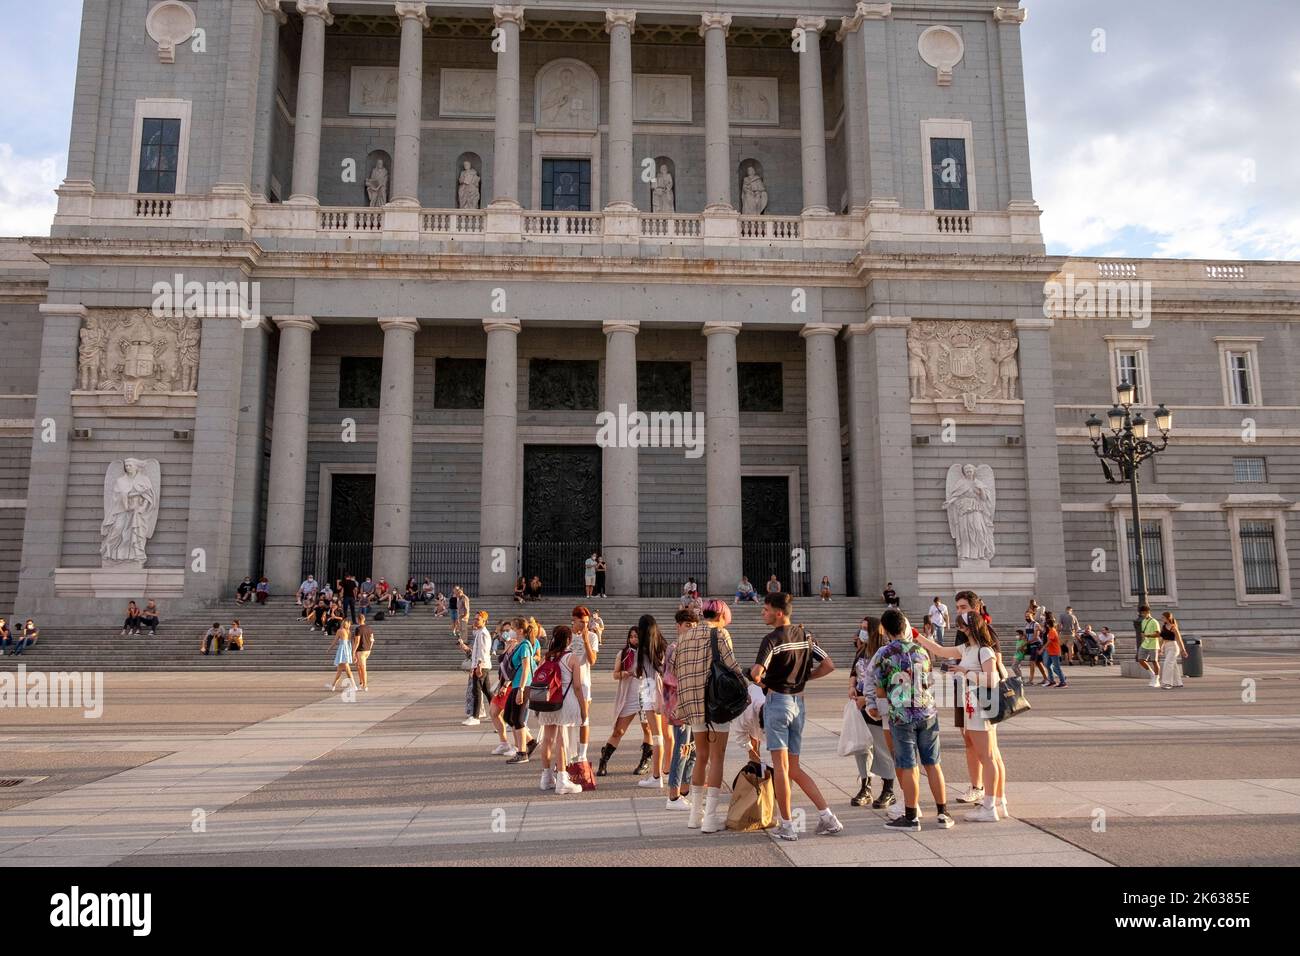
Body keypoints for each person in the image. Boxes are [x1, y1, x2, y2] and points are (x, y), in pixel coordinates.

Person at [751, 591, 843, 841]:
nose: (763, 613)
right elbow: (829, 665)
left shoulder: (772, 639)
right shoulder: (806, 636)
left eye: (766, 609)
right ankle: (827, 816)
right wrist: (805, 678)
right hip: (799, 703)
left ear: (778, 613)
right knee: (794, 767)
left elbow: (758, 673)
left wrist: (755, 676)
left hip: (778, 703)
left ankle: (787, 825)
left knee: (780, 768)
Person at [914, 611, 1007, 822]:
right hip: (972, 706)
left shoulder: (984, 651)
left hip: (981, 707)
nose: (960, 630)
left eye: (962, 626)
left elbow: (992, 680)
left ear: (970, 627)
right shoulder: (968, 648)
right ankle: (994, 803)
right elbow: (938, 649)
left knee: (987, 757)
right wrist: (917, 635)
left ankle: (990, 806)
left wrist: (964, 671)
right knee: (985, 755)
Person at [868, 608, 954, 830]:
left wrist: (880, 705)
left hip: (901, 715)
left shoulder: (884, 653)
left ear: (884, 629)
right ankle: (943, 813)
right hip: (927, 712)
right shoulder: (920, 650)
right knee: (933, 764)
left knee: (908, 765)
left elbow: (879, 690)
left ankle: (911, 816)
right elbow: (928, 681)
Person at [673, 599, 745, 833]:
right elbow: (732, 666)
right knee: (717, 758)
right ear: (722, 616)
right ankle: (711, 818)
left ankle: (695, 815)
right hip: (716, 703)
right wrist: (747, 688)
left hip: (692, 704)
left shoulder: (684, 638)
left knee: (700, 756)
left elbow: (676, 669)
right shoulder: (720, 634)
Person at [848, 618, 896, 809]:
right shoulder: (862, 649)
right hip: (859, 704)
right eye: (861, 628)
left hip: (876, 706)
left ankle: (888, 789)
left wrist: (868, 700)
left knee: (882, 747)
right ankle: (865, 786)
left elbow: (885, 682)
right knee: (861, 748)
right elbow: (854, 671)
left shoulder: (884, 652)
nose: (863, 632)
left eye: (866, 629)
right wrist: (851, 687)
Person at [597, 626, 652, 776]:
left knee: (648, 729)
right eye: (631, 636)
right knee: (618, 731)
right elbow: (615, 674)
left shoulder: (647, 653)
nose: (634, 639)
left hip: (646, 694)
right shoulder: (623, 654)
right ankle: (603, 760)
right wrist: (626, 673)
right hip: (629, 696)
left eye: (637, 636)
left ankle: (645, 761)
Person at [536, 625, 584, 795]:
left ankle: (546, 777)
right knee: (562, 739)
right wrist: (583, 707)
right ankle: (562, 779)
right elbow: (577, 686)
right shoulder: (572, 658)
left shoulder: (546, 658)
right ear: (569, 640)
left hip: (547, 701)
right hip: (565, 701)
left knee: (548, 739)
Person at [662, 608, 698, 810]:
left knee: (692, 749)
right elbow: (670, 678)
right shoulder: (675, 648)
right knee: (682, 748)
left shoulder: (691, 647)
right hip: (679, 705)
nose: (691, 629)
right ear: (678, 626)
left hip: (691, 705)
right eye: (687, 625)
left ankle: (684, 790)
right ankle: (673, 795)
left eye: (693, 626)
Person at [631, 615, 669, 789]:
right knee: (669, 735)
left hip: (648, 688)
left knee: (656, 736)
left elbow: (638, 672)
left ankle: (656, 776)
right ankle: (668, 771)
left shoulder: (642, 649)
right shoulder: (664, 645)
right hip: (665, 691)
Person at [503, 620, 541, 763]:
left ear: (520, 630)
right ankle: (530, 742)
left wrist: (522, 688)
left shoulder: (525, 646)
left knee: (518, 719)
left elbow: (526, 668)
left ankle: (522, 752)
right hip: (516, 685)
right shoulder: (519, 645)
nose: (510, 631)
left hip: (523, 686)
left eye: (512, 628)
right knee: (508, 717)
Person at [461, 610, 492, 724]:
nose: (475, 621)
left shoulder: (483, 633)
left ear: (484, 621)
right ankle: (497, 712)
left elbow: (483, 651)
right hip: (482, 665)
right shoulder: (479, 632)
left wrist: (478, 666)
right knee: (487, 691)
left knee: (477, 691)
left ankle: (475, 716)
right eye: (475, 618)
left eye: (478, 619)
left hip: (481, 666)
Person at [1160, 612, 1188, 688]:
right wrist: (1161, 648)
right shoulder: (1164, 627)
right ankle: (1178, 682)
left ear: (1167, 618)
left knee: (1167, 664)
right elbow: (1162, 639)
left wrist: (1183, 650)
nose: (1161, 619)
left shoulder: (1173, 627)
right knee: (1173, 664)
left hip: (1174, 647)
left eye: (1163, 617)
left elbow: (1179, 640)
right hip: (1167, 647)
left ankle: (1167, 683)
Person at [328, 619, 357, 691]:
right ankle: (333, 685)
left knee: (347, 669)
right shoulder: (349, 632)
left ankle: (354, 686)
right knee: (340, 670)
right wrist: (353, 653)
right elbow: (352, 643)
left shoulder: (340, 631)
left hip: (342, 651)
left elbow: (335, 641)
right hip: (347, 651)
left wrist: (329, 648)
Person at [1137, 605, 1162, 687]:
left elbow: (1158, 634)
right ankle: (1152, 674)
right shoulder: (1143, 621)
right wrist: (1144, 636)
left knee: (1154, 661)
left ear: (1148, 612)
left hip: (1153, 644)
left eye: (1144, 613)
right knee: (1140, 659)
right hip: (1145, 644)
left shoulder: (1154, 621)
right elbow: (1143, 633)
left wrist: (1148, 636)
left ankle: (1156, 679)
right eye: (1141, 613)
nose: (1142, 614)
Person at [1042, 611, 1067, 688]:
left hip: (1054, 652)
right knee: (1048, 665)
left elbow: (1049, 641)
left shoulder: (1052, 631)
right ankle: (1052, 681)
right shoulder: (1050, 631)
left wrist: (1042, 648)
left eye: (1046, 624)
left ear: (1048, 625)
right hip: (1050, 652)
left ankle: (1063, 682)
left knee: (1056, 667)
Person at [353, 613, 375, 691]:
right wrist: (370, 648)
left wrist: (353, 652)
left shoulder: (358, 629)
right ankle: (361, 682)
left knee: (362, 668)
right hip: (367, 650)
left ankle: (365, 685)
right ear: (364, 619)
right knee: (359, 667)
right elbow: (372, 639)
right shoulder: (369, 628)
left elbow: (357, 642)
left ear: (358, 620)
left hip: (361, 650)